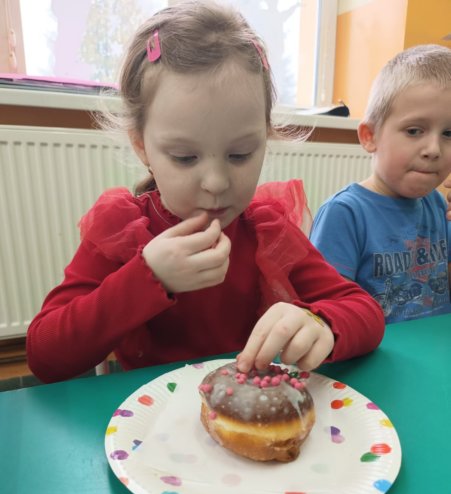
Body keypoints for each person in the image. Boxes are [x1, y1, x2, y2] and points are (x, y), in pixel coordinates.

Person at [26, 0, 384, 383]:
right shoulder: (123, 231)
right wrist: (149, 276)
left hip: (245, 405)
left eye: (240, 154)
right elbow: (45, 355)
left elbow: (365, 312)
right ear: (141, 145)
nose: (216, 182)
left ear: (265, 137)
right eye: (185, 157)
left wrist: (321, 323)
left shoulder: (267, 231)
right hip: (151, 412)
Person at [310, 44, 451, 324]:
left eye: (449, 133)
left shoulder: (436, 204)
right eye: (414, 131)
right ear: (369, 136)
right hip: (375, 349)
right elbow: (327, 311)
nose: (433, 149)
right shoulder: (344, 213)